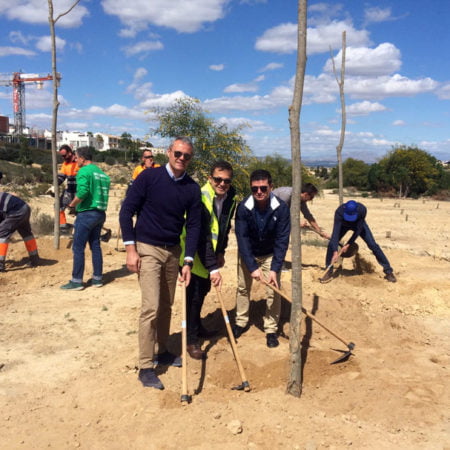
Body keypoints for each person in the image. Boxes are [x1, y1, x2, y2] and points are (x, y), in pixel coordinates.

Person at [119, 136, 202, 390]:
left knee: (166, 305)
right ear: (168, 152)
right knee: (151, 306)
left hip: (173, 252)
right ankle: (145, 366)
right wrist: (131, 249)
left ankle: (163, 350)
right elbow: (126, 212)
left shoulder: (191, 187)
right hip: (147, 248)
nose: (181, 159)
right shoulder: (148, 178)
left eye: (186, 156)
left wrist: (187, 260)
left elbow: (194, 224)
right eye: (178, 153)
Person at [180, 160, 237, 360]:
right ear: (210, 178)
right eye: (218, 179)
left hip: (210, 255)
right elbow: (202, 236)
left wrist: (220, 252)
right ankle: (191, 339)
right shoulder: (201, 197)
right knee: (192, 298)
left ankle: (198, 326)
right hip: (193, 256)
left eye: (226, 181)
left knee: (202, 293)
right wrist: (213, 267)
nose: (222, 184)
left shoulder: (229, 198)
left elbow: (223, 227)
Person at [233, 169, 290, 348]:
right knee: (243, 288)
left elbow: (282, 239)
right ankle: (240, 322)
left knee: (273, 290)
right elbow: (242, 239)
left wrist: (274, 268)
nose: (259, 192)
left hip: (270, 254)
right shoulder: (243, 207)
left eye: (263, 188)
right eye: (255, 188)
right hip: (248, 253)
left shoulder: (281, 208)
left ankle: (271, 328)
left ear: (271, 187)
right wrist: (252, 266)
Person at [60, 147, 110, 290]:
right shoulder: (102, 174)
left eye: (76, 157)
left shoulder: (83, 171)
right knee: (95, 245)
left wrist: (72, 204)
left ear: (82, 158)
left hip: (86, 214)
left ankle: (76, 281)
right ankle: (97, 279)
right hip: (100, 214)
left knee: (78, 247)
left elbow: (83, 191)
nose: (75, 160)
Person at [320, 200, 397, 283]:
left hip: (358, 226)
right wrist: (335, 252)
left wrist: (349, 243)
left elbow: (358, 230)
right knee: (331, 244)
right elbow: (335, 233)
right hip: (343, 226)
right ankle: (329, 270)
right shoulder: (339, 212)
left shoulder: (362, 210)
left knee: (373, 245)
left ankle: (388, 271)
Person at [0, 171, 39, 272]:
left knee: (2, 232)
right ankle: (35, 259)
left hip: (16, 211)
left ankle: (0, 264)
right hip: (24, 207)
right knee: (26, 233)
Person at [57, 145, 79, 231]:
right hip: (69, 190)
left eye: (64, 155)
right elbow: (61, 177)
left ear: (70, 153)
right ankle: (63, 227)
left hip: (79, 190)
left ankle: (78, 229)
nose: (63, 157)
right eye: (62, 156)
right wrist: (55, 185)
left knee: (80, 211)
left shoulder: (79, 162)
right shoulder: (65, 164)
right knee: (58, 206)